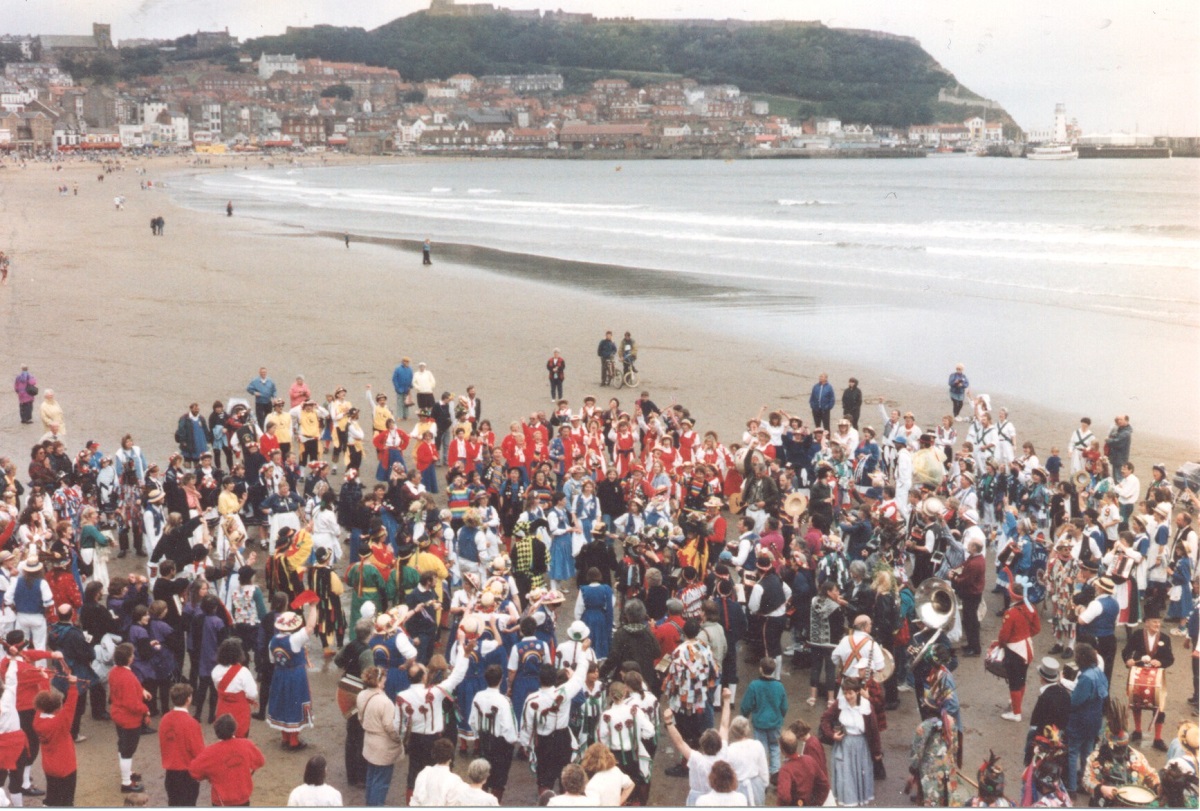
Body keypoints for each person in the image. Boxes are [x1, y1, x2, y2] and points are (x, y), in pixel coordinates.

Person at [518, 660, 589, 794]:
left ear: (539, 679)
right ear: (555, 678)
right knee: (564, 777)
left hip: (543, 741)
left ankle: (546, 804)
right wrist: (583, 653)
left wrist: (526, 744)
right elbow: (579, 678)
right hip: (562, 738)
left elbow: (526, 725)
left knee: (544, 780)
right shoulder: (564, 692)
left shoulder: (532, 699)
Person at [659, 686, 733, 806]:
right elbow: (724, 725)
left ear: (702, 746)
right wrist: (727, 700)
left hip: (697, 798)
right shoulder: (723, 752)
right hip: (719, 797)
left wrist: (668, 722)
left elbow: (680, 743)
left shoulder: (697, 759)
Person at [1080, 698, 1160, 805]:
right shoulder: (1095, 758)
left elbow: (1152, 775)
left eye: (1123, 747)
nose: (1120, 752)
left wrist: (1158, 786)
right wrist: (1101, 788)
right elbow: (1086, 780)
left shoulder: (1137, 757)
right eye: (1117, 748)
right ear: (1109, 743)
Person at [820, 676, 882, 806]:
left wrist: (877, 752)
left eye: (851, 693)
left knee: (859, 776)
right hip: (843, 744)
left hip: (861, 746)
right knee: (846, 777)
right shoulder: (840, 703)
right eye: (845, 693)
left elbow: (874, 730)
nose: (848, 696)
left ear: (858, 692)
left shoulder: (866, 706)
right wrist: (832, 734)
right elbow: (825, 719)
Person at [266, 606, 319, 751]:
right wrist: (313, 607)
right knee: (295, 703)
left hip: (279, 674)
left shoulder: (273, 641)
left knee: (282, 703)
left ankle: (285, 737)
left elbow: (272, 660)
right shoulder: (294, 639)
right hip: (295, 675)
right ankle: (294, 741)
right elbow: (310, 627)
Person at [1121, 610, 1174, 751]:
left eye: (1159, 621)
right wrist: (1128, 660)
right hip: (1138, 675)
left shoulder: (1165, 638)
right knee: (1135, 702)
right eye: (1154, 621)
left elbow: (1170, 659)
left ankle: (1157, 739)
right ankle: (1138, 731)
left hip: (1156, 679)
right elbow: (1126, 652)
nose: (1158, 624)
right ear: (1146, 623)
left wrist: (1161, 662)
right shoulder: (1137, 635)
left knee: (1159, 707)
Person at [189, 713, 266, 806]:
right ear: (234, 729)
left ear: (217, 732)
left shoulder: (211, 752)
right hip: (243, 799)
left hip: (221, 802)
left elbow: (194, 770)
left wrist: (208, 776)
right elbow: (260, 761)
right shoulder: (246, 744)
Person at [469, 663, 517, 801]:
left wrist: (478, 735)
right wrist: (512, 742)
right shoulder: (504, 701)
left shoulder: (478, 696)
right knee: (498, 781)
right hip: (500, 744)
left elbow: (472, 721)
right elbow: (509, 728)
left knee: (483, 776)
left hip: (484, 740)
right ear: (501, 679)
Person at [1065, 643, 1109, 795]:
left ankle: (1071, 787)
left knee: (1072, 753)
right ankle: (1086, 783)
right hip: (1095, 719)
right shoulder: (1099, 672)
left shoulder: (1085, 677)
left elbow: (1075, 702)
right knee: (1088, 753)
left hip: (1080, 720)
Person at [109, 642, 151, 793]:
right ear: (128, 658)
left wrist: (142, 690)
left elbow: (130, 688)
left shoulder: (115, 671)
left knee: (123, 746)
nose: (133, 656)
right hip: (129, 719)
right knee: (128, 751)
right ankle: (126, 783)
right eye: (132, 654)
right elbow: (132, 704)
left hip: (118, 714)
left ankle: (127, 773)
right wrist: (146, 710)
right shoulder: (127, 676)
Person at [998, 581, 1041, 722]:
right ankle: (1017, 704)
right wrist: (1025, 635)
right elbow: (1037, 628)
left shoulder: (1011, 613)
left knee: (1014, 682)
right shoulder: (1031, 608)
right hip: (1027, 648)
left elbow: (1004, 635)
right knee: (1021, 679)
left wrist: (1000, 644)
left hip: (1015, 650)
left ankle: (1016, 713)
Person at [32, 676, 78, 807]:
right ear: (56, 708)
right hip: (66, 767)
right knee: (67, 801)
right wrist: (73, 685)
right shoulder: (59, 723)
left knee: (53, 795)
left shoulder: (38, 719)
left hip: (49, 766)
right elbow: (70, 707)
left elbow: (44, 700)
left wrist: (44, 680)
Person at [739, 657, 787, 781]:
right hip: (775, 722)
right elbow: (784, 706)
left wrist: (744, 715)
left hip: (759, 723)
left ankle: (762, 773)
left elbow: (746, 705)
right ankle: (775, 771)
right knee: (775, 746)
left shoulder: (754, 685)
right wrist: (780, 716)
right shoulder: (779, 686)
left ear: (760, 669)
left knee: (761, 748)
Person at [159, 683, 204, 806]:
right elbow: (198, 751)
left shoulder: (165, 719)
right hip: (187, 774)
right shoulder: (192, 723)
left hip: (170, 773)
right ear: (188, 699)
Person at [1023, 658, 1070, 765]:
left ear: (1042, 678)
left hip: (1043, 740)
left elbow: (1034, 723)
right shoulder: (1065, 693)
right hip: (1060, 739)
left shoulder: (1044, 697)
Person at [776, 727, 830, 806]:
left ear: (782, 750)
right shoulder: (809, 760)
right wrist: (817, 803)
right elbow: (824, 784)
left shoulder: (785, 770)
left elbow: (784, 797)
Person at [411, 737, 465, 806]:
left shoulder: (423, 773)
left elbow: (415, 800)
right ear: (451, 758)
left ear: (434, 755)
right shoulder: (455, 780)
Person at [580, 742, 635, 806]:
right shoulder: (616, 770)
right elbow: (631, 785)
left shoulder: (592, 785)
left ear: (589, 759)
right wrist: (619, 802)